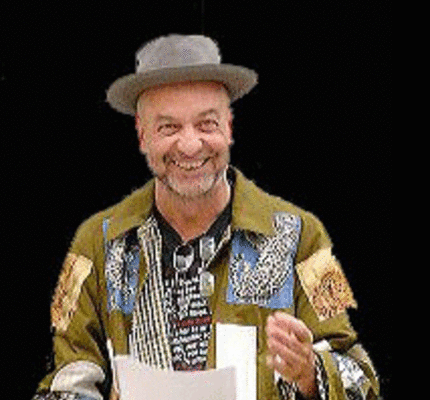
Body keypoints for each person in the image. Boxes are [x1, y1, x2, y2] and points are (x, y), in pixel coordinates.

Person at [32, 34, 380, 400]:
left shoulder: (303, 237)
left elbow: (361, 376)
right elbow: (67, 378)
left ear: (229, 126)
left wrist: (310, 373)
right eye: (168, 127)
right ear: (142, 134)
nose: (189, 145)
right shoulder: (95, 245)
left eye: (206, 124)